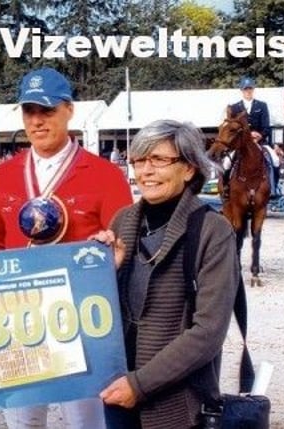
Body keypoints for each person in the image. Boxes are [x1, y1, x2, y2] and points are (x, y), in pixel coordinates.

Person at [0, 67, 133, 429]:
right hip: (18, 322)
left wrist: (111, 248)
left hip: (81, 324)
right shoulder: (4, 174)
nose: (37, 121)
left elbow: (125, 243)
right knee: (23, 424)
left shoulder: (105, 174)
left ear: (69, 110)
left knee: (86, 424)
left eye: (47, 110)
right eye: (29, 111)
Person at [93, 120, 240, 428]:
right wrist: (102, 274)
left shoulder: (213, 231)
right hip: (117, 391)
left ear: (188, 169)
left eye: (159, 159)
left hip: (177, 405)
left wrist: (140, 385)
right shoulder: (122, 221)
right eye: (139, 160)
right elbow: (100, 315)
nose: (146, 171)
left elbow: (208, 332)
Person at [225, 76, 279, 197]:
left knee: (275, 160)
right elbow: (232, 129)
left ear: (253, 89)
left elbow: (266, 127)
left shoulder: (262, 105)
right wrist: (248, 135)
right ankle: (226, 187)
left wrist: (260, 135)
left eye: (250, 88)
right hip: (241, 144)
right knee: (226, 163)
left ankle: (273, 188)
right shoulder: (235, 108)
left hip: (260, 142)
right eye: (245, 89)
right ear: (241, 90)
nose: (248, 91)